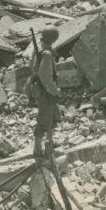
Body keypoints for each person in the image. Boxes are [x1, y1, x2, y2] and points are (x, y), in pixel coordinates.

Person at [27, 26, 61, 158]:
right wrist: (54, 90)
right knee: (44, 119)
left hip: (42, 89)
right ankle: (37, 149)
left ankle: (50, 142)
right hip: (45, 90)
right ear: (53, 39)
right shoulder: (46, 53)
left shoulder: (40, 49)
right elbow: (45, 76)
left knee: (54, 115)